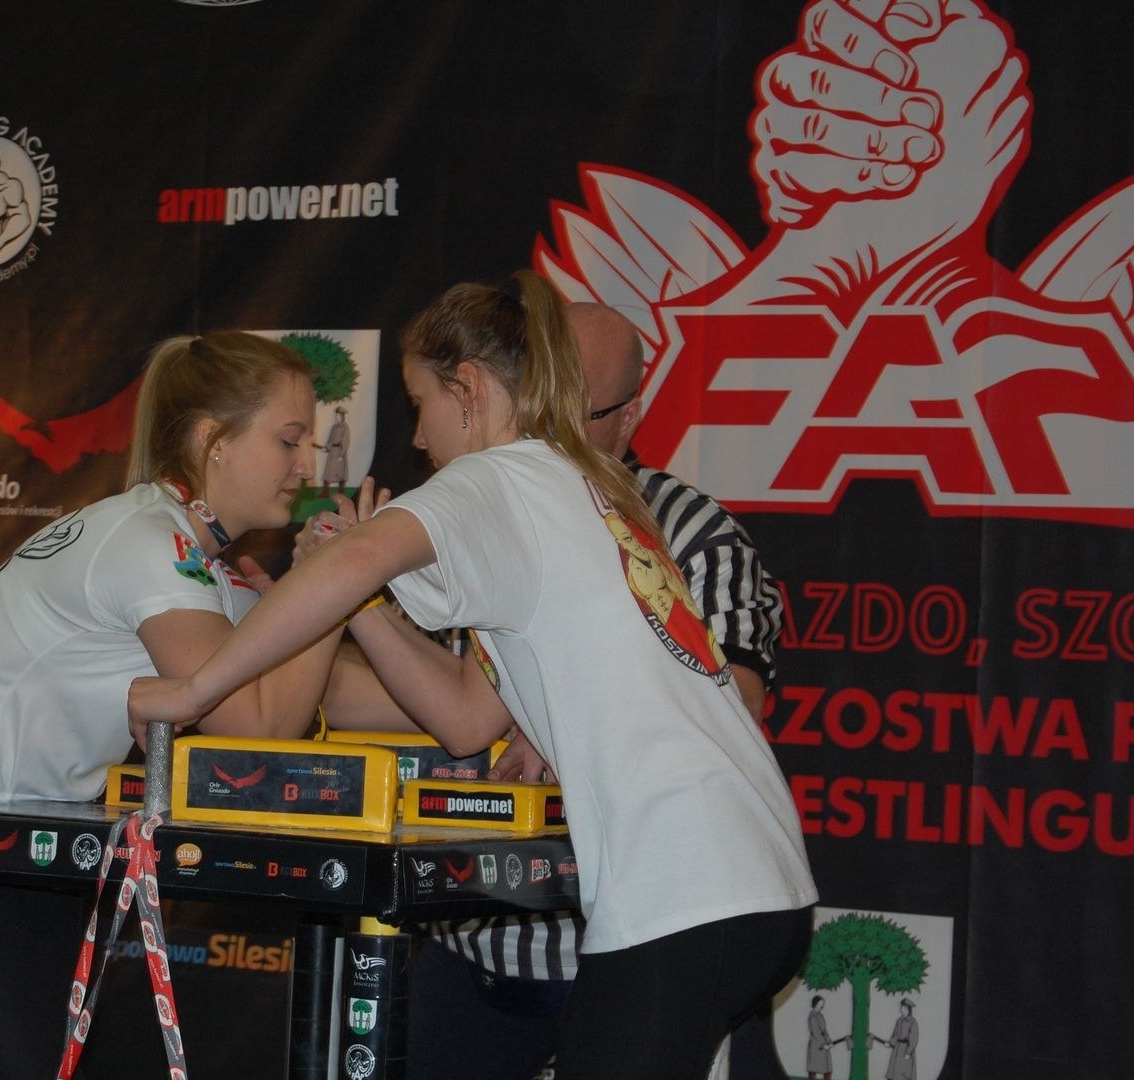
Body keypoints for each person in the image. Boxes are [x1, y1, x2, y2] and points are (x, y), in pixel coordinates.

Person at [130, 273, 818, 1079]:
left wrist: (196, 688)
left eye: (420, 403)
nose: (419, 437)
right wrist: (359, 603)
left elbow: (360, 558)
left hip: (686, 890)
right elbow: (466, 718)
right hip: (756, 883)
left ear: (469, 390)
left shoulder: (497, 477)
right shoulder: (572, 485)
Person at [0, 330, 347, 1076]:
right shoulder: (150, 545)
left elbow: (332, 688)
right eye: (288, 440)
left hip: (29, 871)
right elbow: (259, 727)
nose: (306, 465)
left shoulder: (196, 566)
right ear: (213, 441)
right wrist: (334, 581)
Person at [394, 302, 788, 1080]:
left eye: (573, 414)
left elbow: (733, 704)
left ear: (628, 416)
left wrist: (562, 711)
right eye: (533, 401)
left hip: (627, 933)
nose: (544, 433)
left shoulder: (691, 530)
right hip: (473, 930)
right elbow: (455, 710)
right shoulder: (473, 515)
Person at [807, 995, 833, 1080]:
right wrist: (823, 1045)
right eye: (820, 1004)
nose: (822, 1005)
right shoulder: (813, 1016)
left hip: (824, 1044)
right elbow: (816, 1033)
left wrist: (829, 1041)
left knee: (827, 1069)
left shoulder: (820, 1015)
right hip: (816, 1045)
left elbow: (824, 1030)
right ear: (815, 1004)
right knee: (813, 1068)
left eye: (823, 1004)